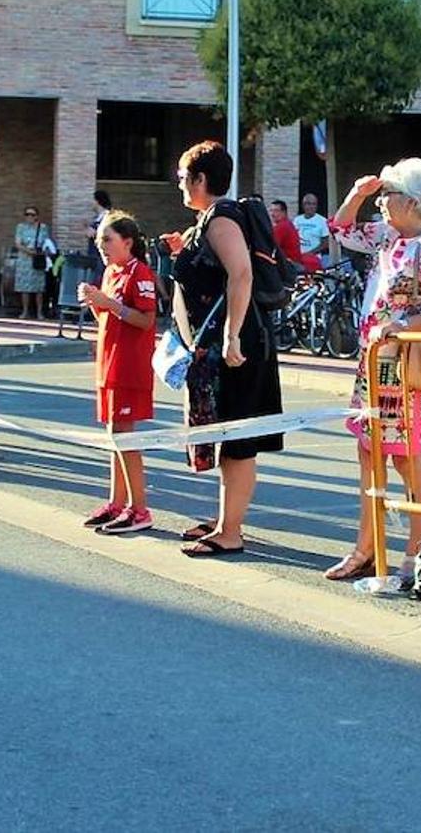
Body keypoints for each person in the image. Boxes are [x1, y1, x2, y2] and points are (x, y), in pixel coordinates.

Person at [322, 160, 421, 583]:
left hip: (406, 366)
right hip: (375, 362)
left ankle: (413, 552)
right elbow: (342, 230)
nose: (383, 203)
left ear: (411, 201)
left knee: (405, 456)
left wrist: (403, 327)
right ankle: (366, 549)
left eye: (389, 195)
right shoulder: (389, 236)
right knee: (369, 451)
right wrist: (358, 193)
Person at [164, 141, 284, 558]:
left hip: (239, 347)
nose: (179, 184)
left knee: (237, 439)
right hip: (219, 349)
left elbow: (242, 274)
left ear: (201, 179)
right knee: (224, 436)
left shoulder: (221, 219)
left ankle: (230, 531)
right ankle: (223, 520)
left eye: (183, 177)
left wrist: (233, 335)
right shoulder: (208, 221)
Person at [79, 212, 158, 534]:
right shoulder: (112, 271)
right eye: (99, 242)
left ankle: (140, 509)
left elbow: (146, 319)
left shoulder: (140, 273)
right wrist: (96, 303)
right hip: (110, 362)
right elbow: (109, 317)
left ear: (128, 242)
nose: (102, 247)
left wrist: (108, 303)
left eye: (107, 240)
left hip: (130, 366)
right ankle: (117, 502)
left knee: (126, 436)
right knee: (115, 434)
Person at [13, 205, 50, 319]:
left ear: (36, 216)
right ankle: (25, 311)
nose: (29, 217)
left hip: (37, 259)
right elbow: (18, 243)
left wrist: (40, 251)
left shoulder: (43, 228)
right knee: (25, 288)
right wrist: (28, 251)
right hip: (24, 260)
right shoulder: (21, 227)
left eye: (32, 215)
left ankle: (39, 312)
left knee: (38, 288)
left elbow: (46, 242)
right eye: (27, 214)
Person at [268, 197, 313, 272]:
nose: (272, 214)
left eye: (276, 211)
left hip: (289, 264)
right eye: (271, 210)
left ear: (284, 212)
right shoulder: (288, 224)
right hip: (295, 263)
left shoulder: (281, 227)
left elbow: (271, 247)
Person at [293, 193, 330, 268]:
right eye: (308, 204)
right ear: (303, 205)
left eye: (314, 204)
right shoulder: (297, 220)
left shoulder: (322, 221)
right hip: (297, 259)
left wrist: (310, 253)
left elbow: (325, 243)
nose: (311, 207)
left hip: (313, 259)